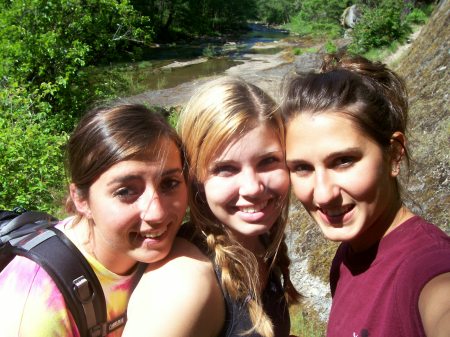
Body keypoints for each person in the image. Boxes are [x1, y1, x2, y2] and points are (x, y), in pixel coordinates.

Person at [280, 53, 450, 337]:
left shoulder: (427, 268)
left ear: (394, 154)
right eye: (301, 167)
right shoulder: (348, 255)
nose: (323, 194)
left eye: (344, 160)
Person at [124, 76, 300, 337]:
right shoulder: (183, 282)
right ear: (195, 178)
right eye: (225, 169)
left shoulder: (256, 239)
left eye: (268, 161)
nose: (252, 188)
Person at [0, 103, 188, 336]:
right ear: (81, 200)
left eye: (169, 184)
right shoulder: (36, 303)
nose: (156, 213)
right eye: (126, 191)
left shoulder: (177, 249)